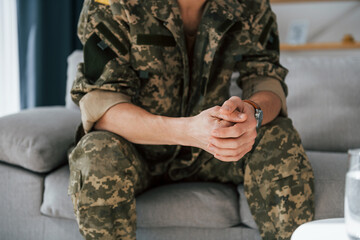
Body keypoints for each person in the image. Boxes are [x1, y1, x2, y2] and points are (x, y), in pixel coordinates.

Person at [68, 0, 315, 239]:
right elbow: (101, 105)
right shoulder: (113, 3)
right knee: (97, 152)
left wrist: (253, 112)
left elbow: (267, 79)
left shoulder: (252, 4)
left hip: (217, 151)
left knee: (277, 136)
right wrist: (188, 131)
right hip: (137, 150)